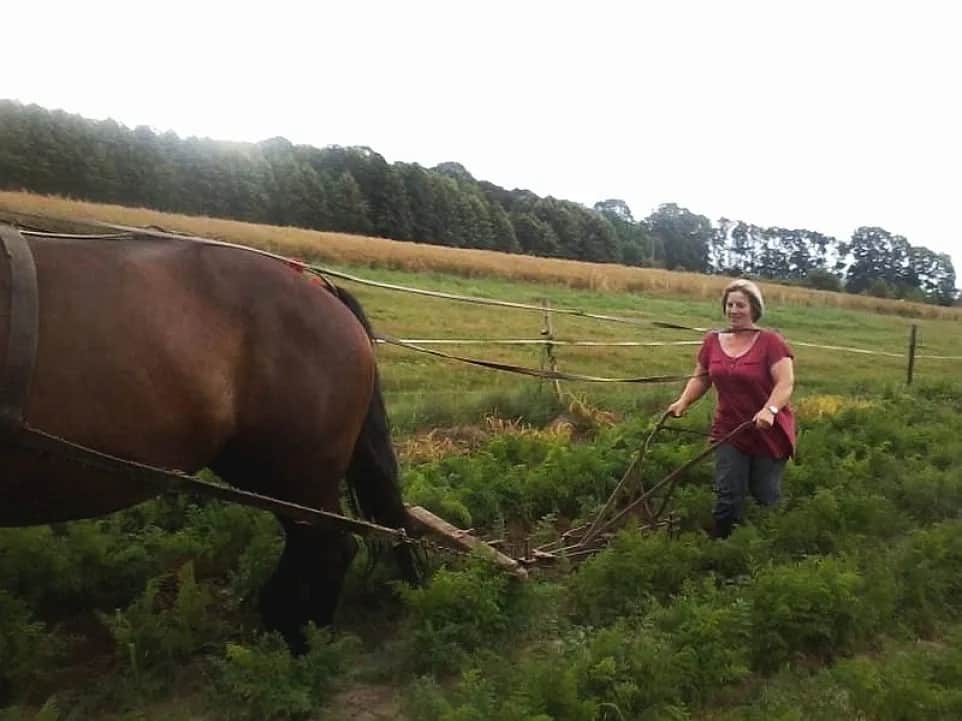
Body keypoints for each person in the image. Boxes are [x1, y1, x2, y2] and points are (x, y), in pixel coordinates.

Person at [667, 279, 795, 538]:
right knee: (728, 493)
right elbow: (702, 377)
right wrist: (683, 401)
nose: (734, 310)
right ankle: (723, 547)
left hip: (768, 430)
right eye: (730, 305)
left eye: (741, 305)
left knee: (764, 495)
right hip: (729, 429)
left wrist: (769, 410)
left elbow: (785, 382)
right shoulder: (713, 340)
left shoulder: (771, 341)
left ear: (754, 309)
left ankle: (764, 549)